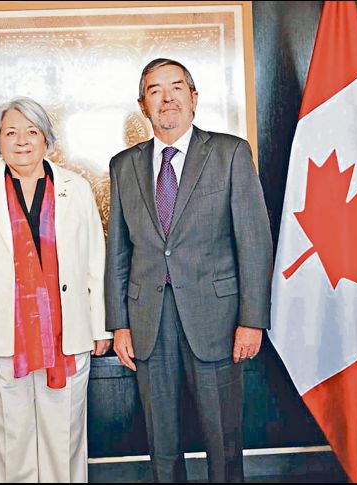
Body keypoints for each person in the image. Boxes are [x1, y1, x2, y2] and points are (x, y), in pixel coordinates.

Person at [105, 59, 273, 483]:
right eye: (155, 91)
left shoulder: (230, 152)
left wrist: (252, 320)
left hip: (216, 318)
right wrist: (119, 324)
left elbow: (254, 242)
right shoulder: (123, 165)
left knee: (223, 440)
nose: (167, 98)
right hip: (148, 320)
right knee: (161, 442)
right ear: (143, 105)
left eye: (177, 87)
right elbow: (119, 251)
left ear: (194, 98)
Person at [0, 97, 112, 483]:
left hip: (66, 333)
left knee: (63, 436)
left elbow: (95, 263)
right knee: (9, 437)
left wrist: (101, 326)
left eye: (32, 132)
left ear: (46, 139)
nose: (22, 141)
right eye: (11, 133)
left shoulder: (76, 188)